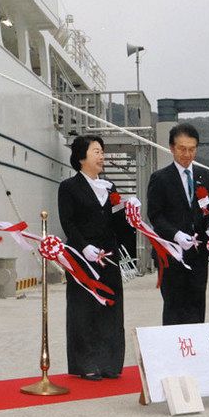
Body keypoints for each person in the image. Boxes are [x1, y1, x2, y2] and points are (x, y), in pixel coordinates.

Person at [57, 135, 125, 379]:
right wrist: (83, 246)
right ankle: (84, 363)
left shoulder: (109, 187)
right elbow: (68, 221)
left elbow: (119, 225)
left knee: (111, 307)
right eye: (96, 151)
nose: (101, 156)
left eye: (102, 151)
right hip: (82, 257)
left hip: (108, 256)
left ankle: (109, 363)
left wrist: (127, 211)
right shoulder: (69, 187)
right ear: (81, 157)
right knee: (83, 309)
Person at [146, 123, 209, 325]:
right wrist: (176, 234)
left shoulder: (205, 176)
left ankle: (195, 350)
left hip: (198, 254)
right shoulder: (160, 178)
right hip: (171, 254)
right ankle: (175, 351)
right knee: (174, 305)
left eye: (192, 149)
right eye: (182, 149)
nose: (187, 154)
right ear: (171, 148)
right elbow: (156, 215)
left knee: (197, 304)